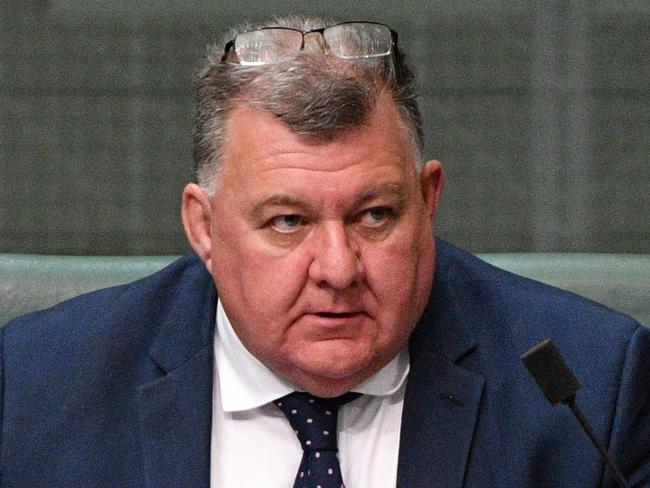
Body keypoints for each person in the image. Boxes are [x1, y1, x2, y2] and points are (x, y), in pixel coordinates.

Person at [1, 16, 648, 488]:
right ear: (203, 225)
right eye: (288, 221)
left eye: (375, 216)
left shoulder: (590, 390)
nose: (338, 269)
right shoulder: (37, 390)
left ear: (428, 199)